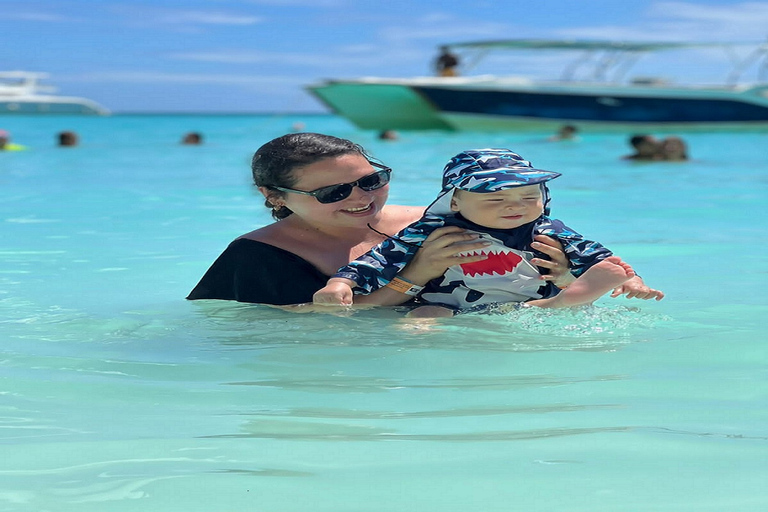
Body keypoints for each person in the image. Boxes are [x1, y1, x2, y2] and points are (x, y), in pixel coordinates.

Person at [187, 133, 574, 306]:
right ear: (273, 196)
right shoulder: (259, 256)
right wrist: (414, 276)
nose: (361, 197)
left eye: (372, 180)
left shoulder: (432, 219)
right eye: (333, 193)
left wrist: (561, 274)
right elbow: (294, 333)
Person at [313, 148, 664, 314]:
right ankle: (558, 305)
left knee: (528, 307)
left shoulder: (547, 228)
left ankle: (563, 301)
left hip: (523, 295)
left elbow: (596, 256)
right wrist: (341, 282)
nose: (514, 206)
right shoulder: (433, 227)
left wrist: (630, 280)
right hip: (446, 303)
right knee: (422, 318)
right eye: (494, 199)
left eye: (529, 196)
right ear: (454, 202)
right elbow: (380, 258)